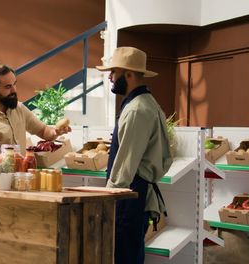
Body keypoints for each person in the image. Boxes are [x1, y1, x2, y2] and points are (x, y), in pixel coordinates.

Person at [96, 47, 172, 264]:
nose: (110, 77)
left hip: (128, 196)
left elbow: (125, 167)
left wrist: (108, 201)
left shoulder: (137, 110)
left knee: (123, 257)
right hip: (134, 193)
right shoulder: (146, 103)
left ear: (128, 74)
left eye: (114, 72)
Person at [0, 62, 71, 152]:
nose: (14, 90)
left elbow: (43, 131)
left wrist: (56, 132)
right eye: (8, 87)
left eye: (14, 84)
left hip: (22, 166)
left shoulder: (19, 108)